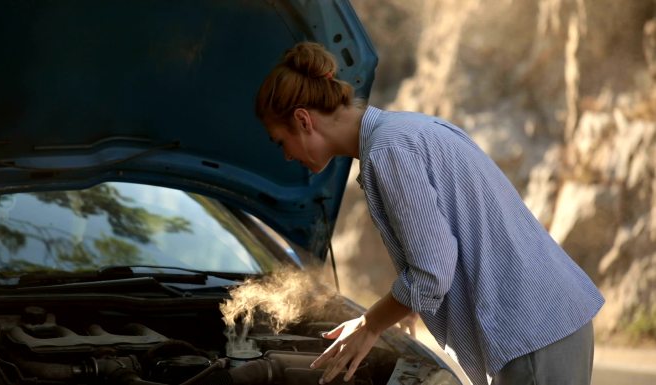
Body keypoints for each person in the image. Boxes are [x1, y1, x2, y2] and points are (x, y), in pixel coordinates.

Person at [254, 41, 604, 385]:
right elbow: (448, 245)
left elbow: (432, 271)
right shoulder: (409, 130)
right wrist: (407, 305)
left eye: (280, 141)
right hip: (548, 324)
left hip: (533, 335)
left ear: (303, 120)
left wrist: (370, 324)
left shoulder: (388, 151)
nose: (286, 156)